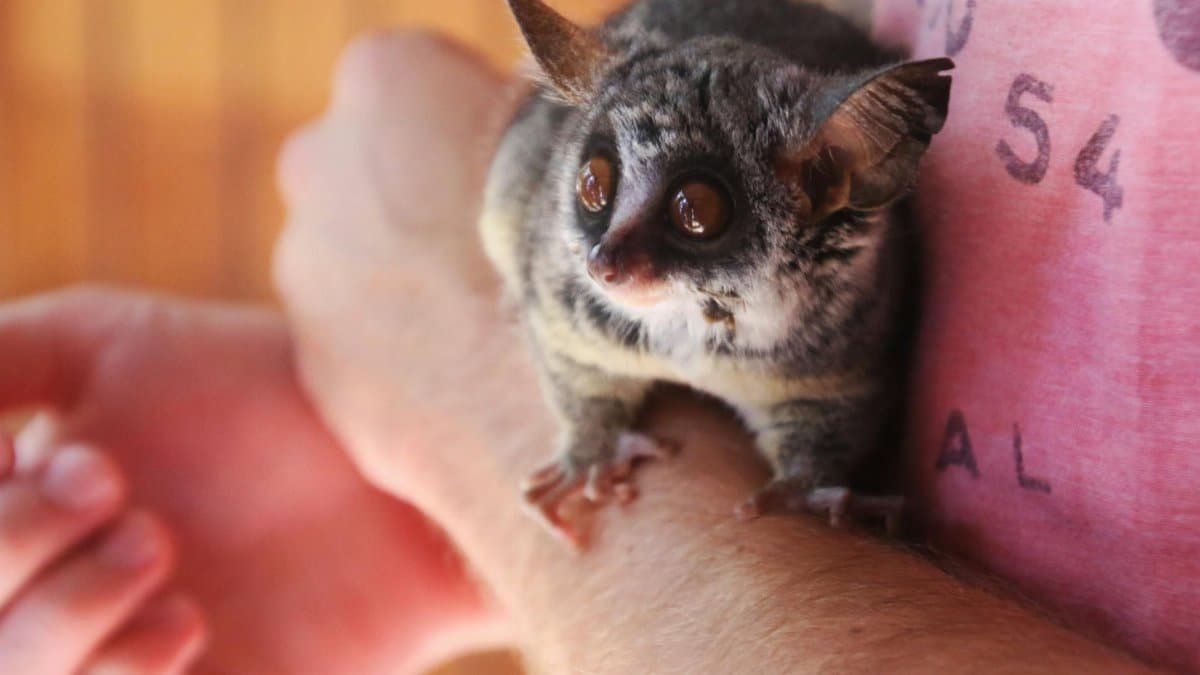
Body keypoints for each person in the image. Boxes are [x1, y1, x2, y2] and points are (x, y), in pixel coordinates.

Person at [0, 8, 1194, 673]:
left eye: (692, 213)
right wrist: (406, 483)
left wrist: (473, 394)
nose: (615, 252)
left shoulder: (832, 258)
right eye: (600, 197)